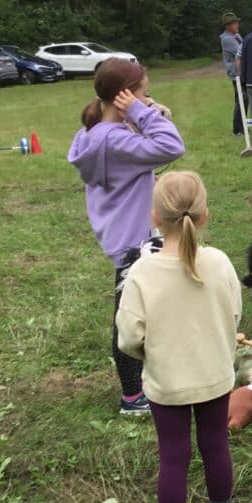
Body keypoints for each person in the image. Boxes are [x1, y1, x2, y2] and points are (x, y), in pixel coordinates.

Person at [116, 171, 242, 503]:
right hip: (215, 376)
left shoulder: (141, 272)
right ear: (204, 216)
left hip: (167, 383)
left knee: (173, 458)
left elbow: (129, 338)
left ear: (155, 217)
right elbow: (234, 314)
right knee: (215, 446)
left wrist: (151, 353)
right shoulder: (220, 263)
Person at [68, 58, 185, 416]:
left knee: (143, 310)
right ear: (124, 97)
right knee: (129, 317)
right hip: (133, 240)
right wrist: (145, 115)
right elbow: (171, 146)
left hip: (121, 234)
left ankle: (147, 380)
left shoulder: (94, 133)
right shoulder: (116, 141)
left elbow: (140, 142)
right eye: (143, 94)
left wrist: (142, 113)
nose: (147, 100)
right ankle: (133, 396)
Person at [220, 12, 244, 136]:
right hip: (236, 73)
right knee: (240, 99)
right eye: (234, 23)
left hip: (241, 72)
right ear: (227, 26)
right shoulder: (227, 39)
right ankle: (237, 129)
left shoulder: (236, 36)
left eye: (236, 22)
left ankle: (242, 126)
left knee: (244, 100)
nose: (237, 25)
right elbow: (242, 52)